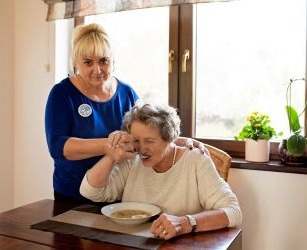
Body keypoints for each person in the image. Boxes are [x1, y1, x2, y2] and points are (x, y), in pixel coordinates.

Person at [45, 23, 206, 203]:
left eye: (104, 61)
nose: (97, 70)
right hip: (72, 194)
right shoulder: (62, 94)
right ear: (75, 63)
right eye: (88, 62)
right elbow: (57, 146)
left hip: (118, 190)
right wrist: (108, 146)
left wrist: (181, 141)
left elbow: (148, 131)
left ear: (113, 61)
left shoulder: (126, 93)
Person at [80, 103, 242, 240]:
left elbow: (233, 212)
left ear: (170, 138)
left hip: (181, 244)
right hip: (133, 242)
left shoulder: (196, 161)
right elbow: (91, 192)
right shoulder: (132, 160)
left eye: (149, 141)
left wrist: (183, 223)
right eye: (136, 140)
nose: (142, 149)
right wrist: (112, 155)